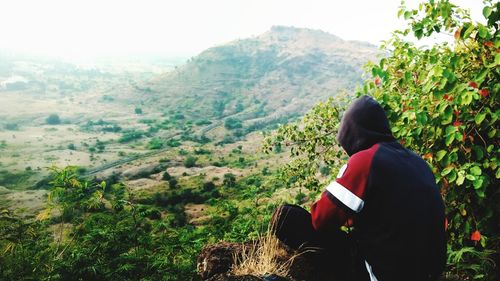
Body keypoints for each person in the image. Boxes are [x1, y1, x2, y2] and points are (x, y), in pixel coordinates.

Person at [271, 95, 446, 281]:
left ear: (351, 134)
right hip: (428, 272)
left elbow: (320, 219)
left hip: (384, 273)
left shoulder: (365, 160)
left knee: (285, 216)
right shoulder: (417, 161)